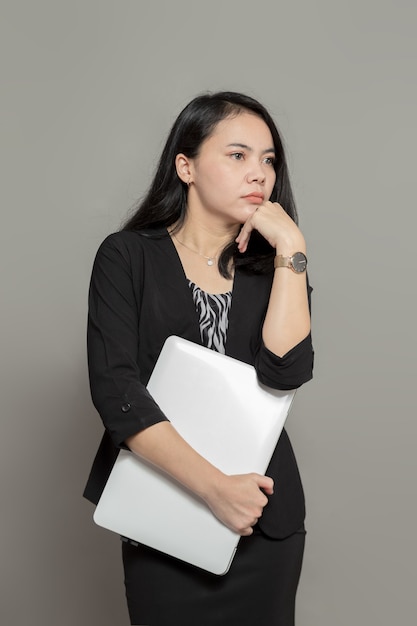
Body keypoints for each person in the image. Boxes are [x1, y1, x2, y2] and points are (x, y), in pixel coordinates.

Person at [84, 91, 314, 626]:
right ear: (185, 166)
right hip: (165, 513)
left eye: (269, 160)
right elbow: (117, 392)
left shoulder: (274, 269)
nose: (259, 173)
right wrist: (216, 490)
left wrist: (292, 250)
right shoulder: (127, 257)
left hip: (264, 523)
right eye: (238, 155)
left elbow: (287, 372)